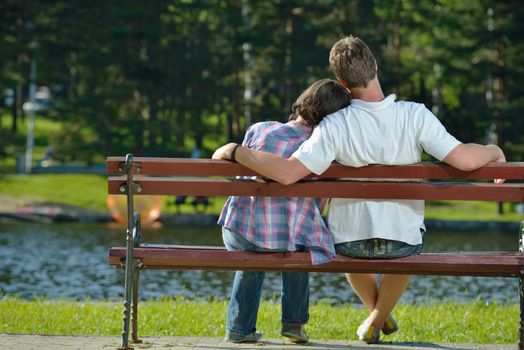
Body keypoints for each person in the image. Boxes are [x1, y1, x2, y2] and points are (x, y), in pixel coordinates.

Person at [213, 35, 506, 344]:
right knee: (408, 250)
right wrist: (493, 149)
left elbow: (287, 173)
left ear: (342, 81)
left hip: (348, 244)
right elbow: (464, 160)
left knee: (351, 249)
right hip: (402, 243)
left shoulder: (334, 124)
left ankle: (377, 318)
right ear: (375, 66)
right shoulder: (414, 114)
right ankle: (376, 319)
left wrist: (236, 151)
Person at [219, 79, 352, 344]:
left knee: (255, 245)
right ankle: (294, 324)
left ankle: (239, 328)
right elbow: (320, 205)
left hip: (238, 232)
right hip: (288, 242)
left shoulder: (260, 129)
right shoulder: (321, 148)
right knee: (300, 241)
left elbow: (234, 177)